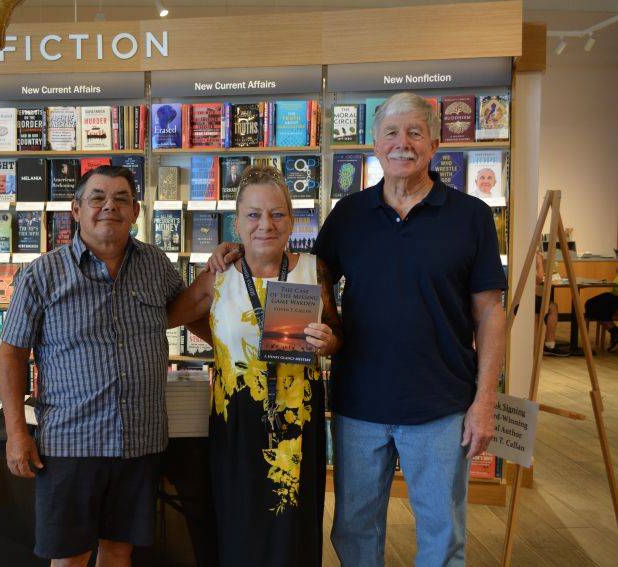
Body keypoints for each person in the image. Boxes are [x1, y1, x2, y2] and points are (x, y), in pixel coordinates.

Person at [208, 92, 506, 566]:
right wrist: (234, 251)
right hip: (358, 407)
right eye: (391, 132)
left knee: (443, 536)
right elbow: (299, 274)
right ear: (374, 143)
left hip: (442, 405)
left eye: (414, 133)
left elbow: (491, 312)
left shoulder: (470, 216)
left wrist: (485, 400)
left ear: (434, 144)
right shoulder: (348, 215)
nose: (402, 143)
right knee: (354, 533)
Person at [0, 165, 198, 567]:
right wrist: (16, 433)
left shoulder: (156, 264)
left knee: (118, 552)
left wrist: (214, 279)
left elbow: (182, 310)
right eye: (98, 198)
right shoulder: (42, 275)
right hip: (71, 445)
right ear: (76, 210)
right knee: (69, 559)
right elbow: (12, 353)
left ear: (136, 210)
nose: (110, 206)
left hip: (138, 443)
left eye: (121, 198)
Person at [169, 166, 342, 567]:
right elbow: (172, 315)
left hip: (297, 427)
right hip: (238, 425)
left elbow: (338, 331)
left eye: (277, 213)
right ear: (237, 221)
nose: (266, 224)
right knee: (239, 523)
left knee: (293, 531)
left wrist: (330, 341)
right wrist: (223, 340)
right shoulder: (218, 275)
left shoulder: (313, 270)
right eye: (253, 214)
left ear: (291, 218)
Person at [535, 251, 567, 356]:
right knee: (552, 307)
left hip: (527, 297)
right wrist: (539, 262)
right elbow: (539, 279)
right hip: (525, 300)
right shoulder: (528, 257)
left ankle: (548, 343)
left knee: (551, 305)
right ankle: (549, 345)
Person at [585, 266, 618, 351]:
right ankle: (615, 333)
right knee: (592, 304)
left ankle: (615, 333)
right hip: (614, 295)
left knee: (596, 306)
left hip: (615, 298)